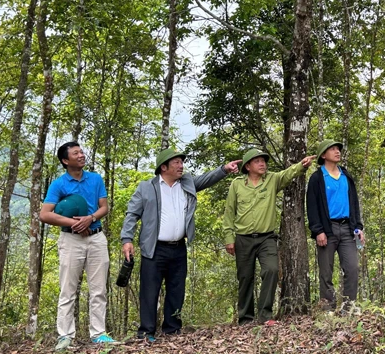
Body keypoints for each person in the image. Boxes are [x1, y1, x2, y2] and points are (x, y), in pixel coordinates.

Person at [120, 148, 240, 340]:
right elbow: (132, 214)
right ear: (163, 167)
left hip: (178, 248)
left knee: (177, 290)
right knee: (149, 292)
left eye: (181, 162)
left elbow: (206, 179)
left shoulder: (187, 183)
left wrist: (224, 169)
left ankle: (172, 330)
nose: (181, 165)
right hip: (154, 249)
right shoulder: (146, 187)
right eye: (176, 162)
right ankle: (146, 332)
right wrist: (127, 239)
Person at [223, 148, 315, 326]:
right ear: (248, 166)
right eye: (257, 161)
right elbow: (229, 212)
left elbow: (287, 174)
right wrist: (229, 238)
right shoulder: (237, 184)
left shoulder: (272, 180)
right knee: (245, 277)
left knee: (271, 270)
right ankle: (245, 319)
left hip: (267, 238)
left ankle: (265, 315)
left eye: (263, 161)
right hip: (243, 238)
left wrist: (302, 165)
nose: (262, 164)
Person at [39, 141, 115, 350]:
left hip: (97, 238)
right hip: (71, 240)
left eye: (81, 152)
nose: (81, 155)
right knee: (68, 289)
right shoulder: (59, 184)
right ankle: (65, 336)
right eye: (76, 153)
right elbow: (45, 214)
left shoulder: (96, 179)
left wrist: (89, 218)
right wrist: (75, 223)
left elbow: (104, 207)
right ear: (66, 160)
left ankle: (98, 333)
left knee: (98, 288)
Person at [306, 140, 364, 314]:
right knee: (326, 271)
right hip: (327, 229)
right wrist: (318, 230)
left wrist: (358, 227)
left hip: (348, 228)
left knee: (352, 268)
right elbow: (312, 206)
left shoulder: (346, 176)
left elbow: (354, 203)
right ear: (323, 155)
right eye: (332, 149)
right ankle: (327, 308)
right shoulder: (317, 178)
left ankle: (349, 306)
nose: (337, 152)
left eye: (338, 149)